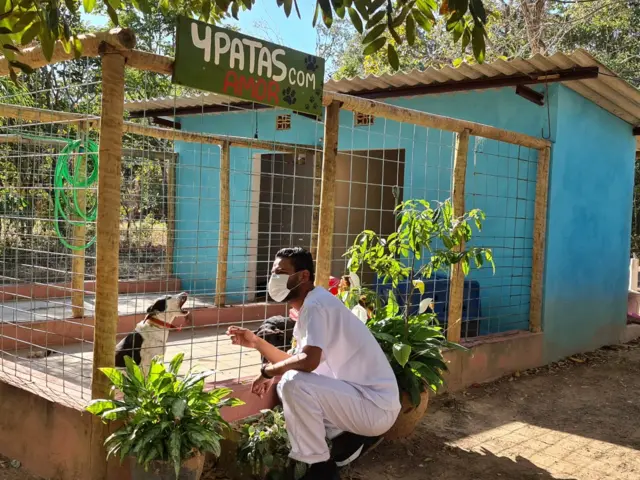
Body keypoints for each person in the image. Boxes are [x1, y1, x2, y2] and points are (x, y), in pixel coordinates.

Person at [227, 247, 400, 479]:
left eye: (281, 273)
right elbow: (297, 361)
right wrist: (257, 342)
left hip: (373, 406)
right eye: (273, 273)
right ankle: (339, 447)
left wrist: (267, 372)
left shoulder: (315, 307)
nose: (274, 279)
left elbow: (307, 363)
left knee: (292, 383)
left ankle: (320, 468)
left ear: (304, 276)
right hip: (367, 402)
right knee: (290, 381)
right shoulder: (316, 303)